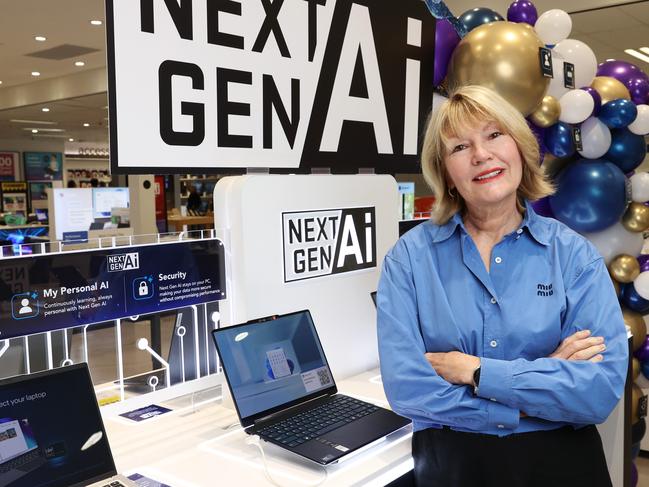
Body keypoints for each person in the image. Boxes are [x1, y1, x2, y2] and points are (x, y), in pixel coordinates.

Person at [377, 85, 628, 487]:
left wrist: (474, 370)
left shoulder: (573, 256)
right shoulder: (409, 259)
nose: (481, 155)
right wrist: (541, 383)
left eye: (495, 135)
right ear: (445, 173)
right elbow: (408, 389)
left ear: (521, 149)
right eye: (459, 147)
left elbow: (597, 392)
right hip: (453, 470)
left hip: (563, 466)